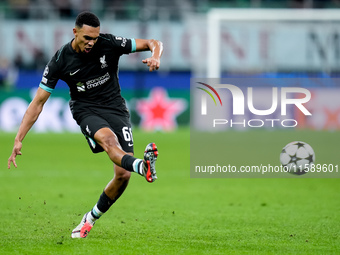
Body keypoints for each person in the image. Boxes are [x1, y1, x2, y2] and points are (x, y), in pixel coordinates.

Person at [7, 11, 163, 238]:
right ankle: (142, 166)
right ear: (75, 32)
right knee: (109, 141)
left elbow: (153, 42)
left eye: (95, 38)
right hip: (86, 109)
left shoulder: (109, 43)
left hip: (116, 108)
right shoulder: (60, 60)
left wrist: (156, 55)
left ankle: (89, 218)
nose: (91, 43)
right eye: (87, 38)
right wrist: (19, 138)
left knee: (122, 175)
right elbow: (38, 102)